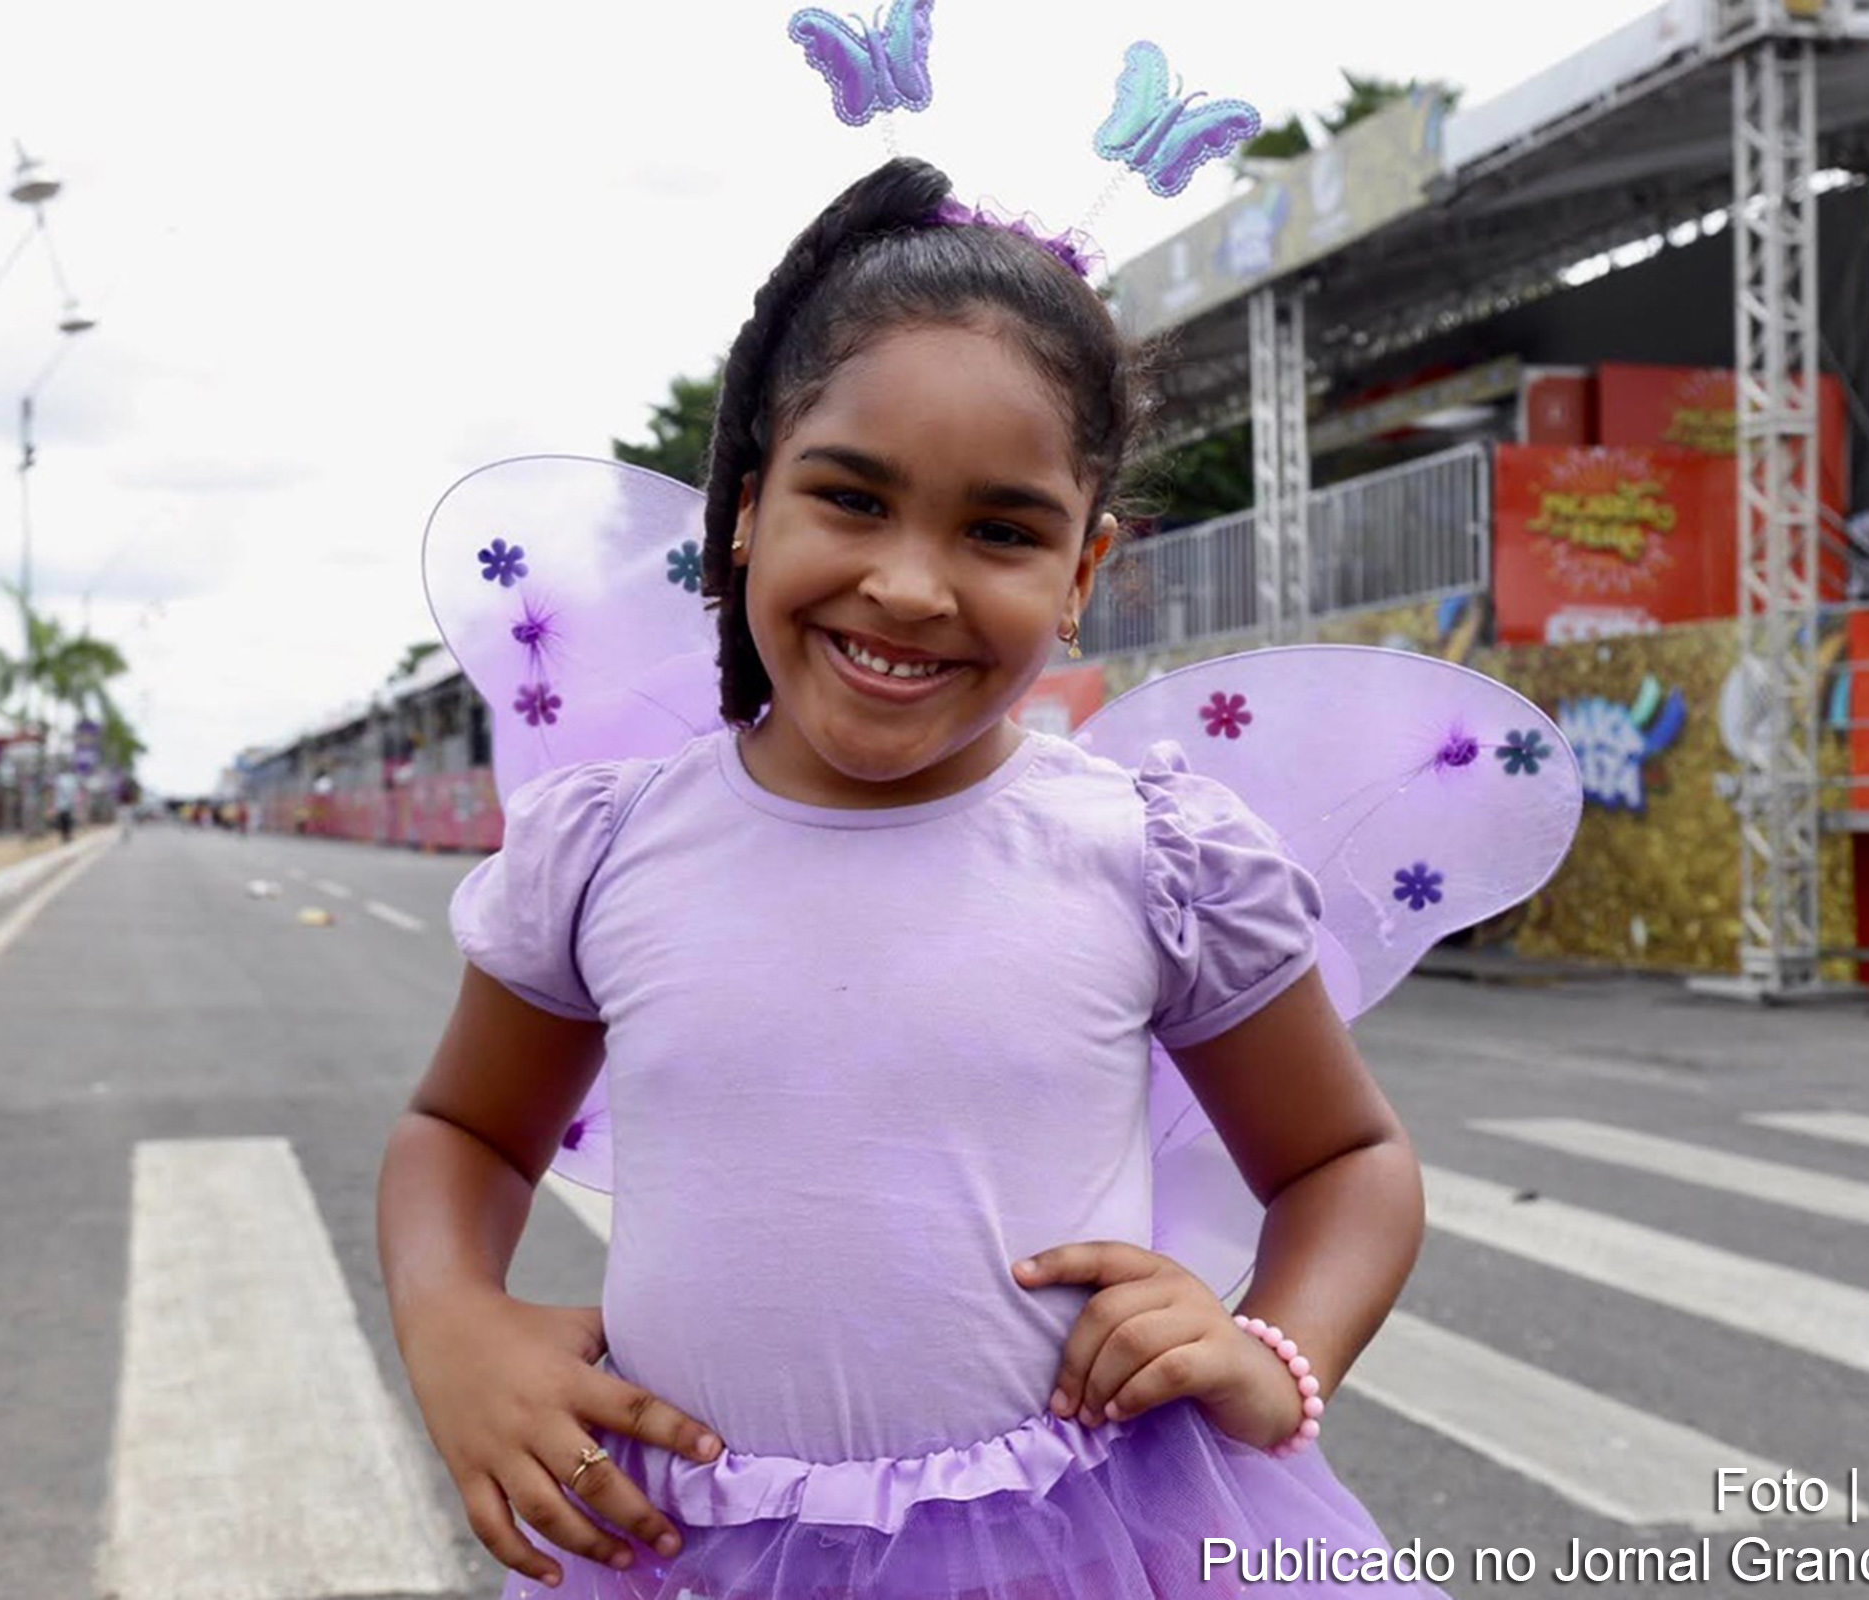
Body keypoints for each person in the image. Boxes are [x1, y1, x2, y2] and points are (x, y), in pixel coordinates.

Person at [379, 158, 1441, 1598]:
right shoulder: (609, 848)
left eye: (1002, 530)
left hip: (1085, 1542)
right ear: (747, 506)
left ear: (1084, 568)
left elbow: (1346, 1164)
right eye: (852, 499)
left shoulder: (1152, 858)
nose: (911, 587)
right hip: (683, 1554)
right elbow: (465, 1132)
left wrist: (1274, 1351)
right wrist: (453, 1324)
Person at [52, 768, 79, 845]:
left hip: (63, 804)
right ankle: (66, 836)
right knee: (66, 821)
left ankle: (66, 836)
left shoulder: (60, 779)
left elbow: (56, 791)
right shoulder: (70, 779)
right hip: (65, 804)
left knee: (65, 821)